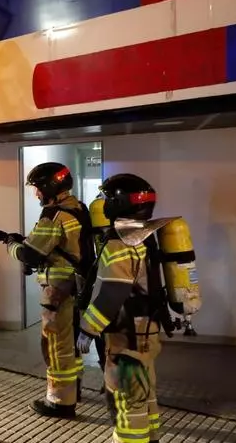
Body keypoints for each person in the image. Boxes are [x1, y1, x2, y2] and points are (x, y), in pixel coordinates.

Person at [0, 162, 92, 418]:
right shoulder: (77, 209)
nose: (37, 195)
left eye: (38, 189)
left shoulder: (53, 215)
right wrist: (10, 236)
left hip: (58, 292)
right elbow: (52, 245)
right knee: (70, 343)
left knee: (55, 345)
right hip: (76, 288)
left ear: (49, 187)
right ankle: (74, 389)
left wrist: (10, 244)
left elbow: (30, 255)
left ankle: (60, 402)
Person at [76, 174, 165, 443]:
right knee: (144, 389)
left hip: (126, 333)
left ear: (117, 203)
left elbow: (111, 294)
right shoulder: (146, 235)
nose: (102, 202)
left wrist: (87, 329)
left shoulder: (119, 243)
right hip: (147, 327)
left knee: (126, 395)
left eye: (105, 198)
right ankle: (151, 437)